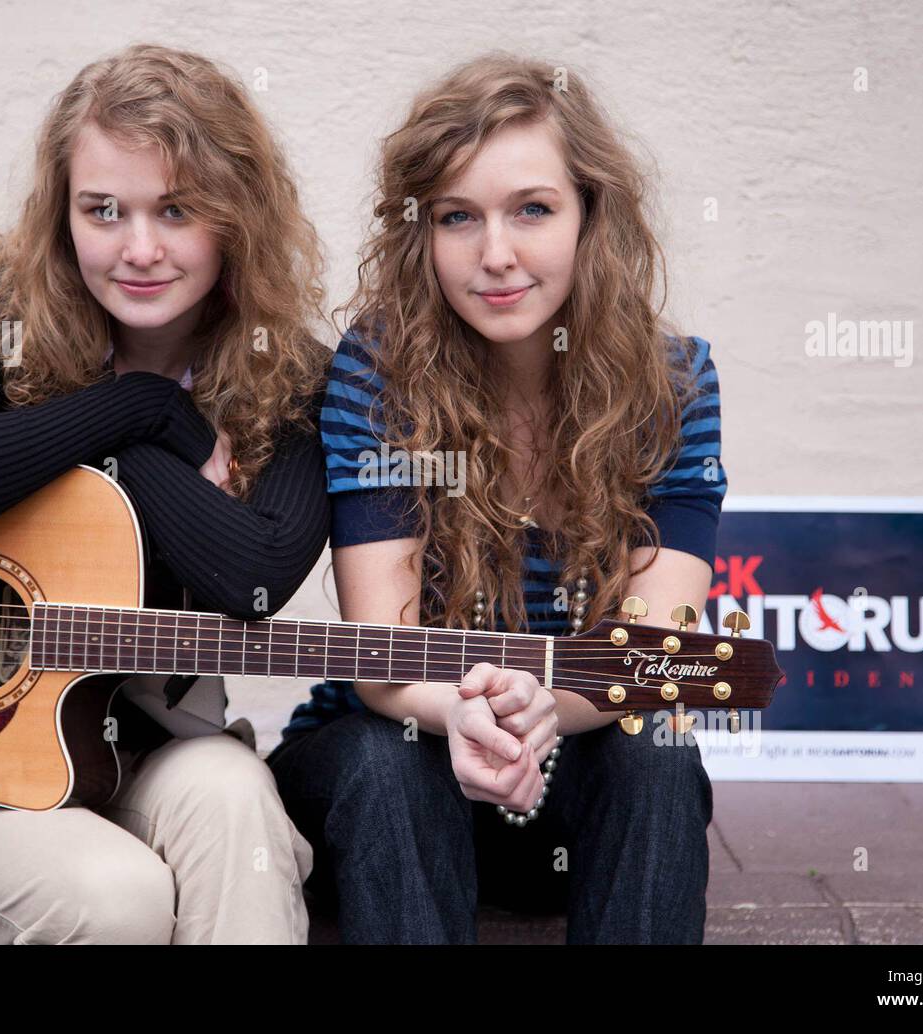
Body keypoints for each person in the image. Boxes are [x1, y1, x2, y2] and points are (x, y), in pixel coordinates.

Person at [0, 44, 330, 944]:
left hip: (152, 756)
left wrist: (118, 451)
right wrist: (142, 410)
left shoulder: (290, 379)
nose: (139, 248)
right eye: (103, 211)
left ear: (234, 218)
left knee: (236, 799)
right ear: (63, 214)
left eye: (177, 210)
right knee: (119, 900)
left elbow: (257, 579)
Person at [267, 53, 726, 944]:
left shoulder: (674, 386)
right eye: (457, 218)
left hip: (569, 774)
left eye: (533, 209)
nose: (496, 254)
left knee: (656, 750)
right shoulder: (377, 375)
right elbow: (384, 656)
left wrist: (547, 707)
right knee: (386, 758)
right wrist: (464, 712)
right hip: (398, 770)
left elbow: (651, 653)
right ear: (420, 234)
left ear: (593, 215)